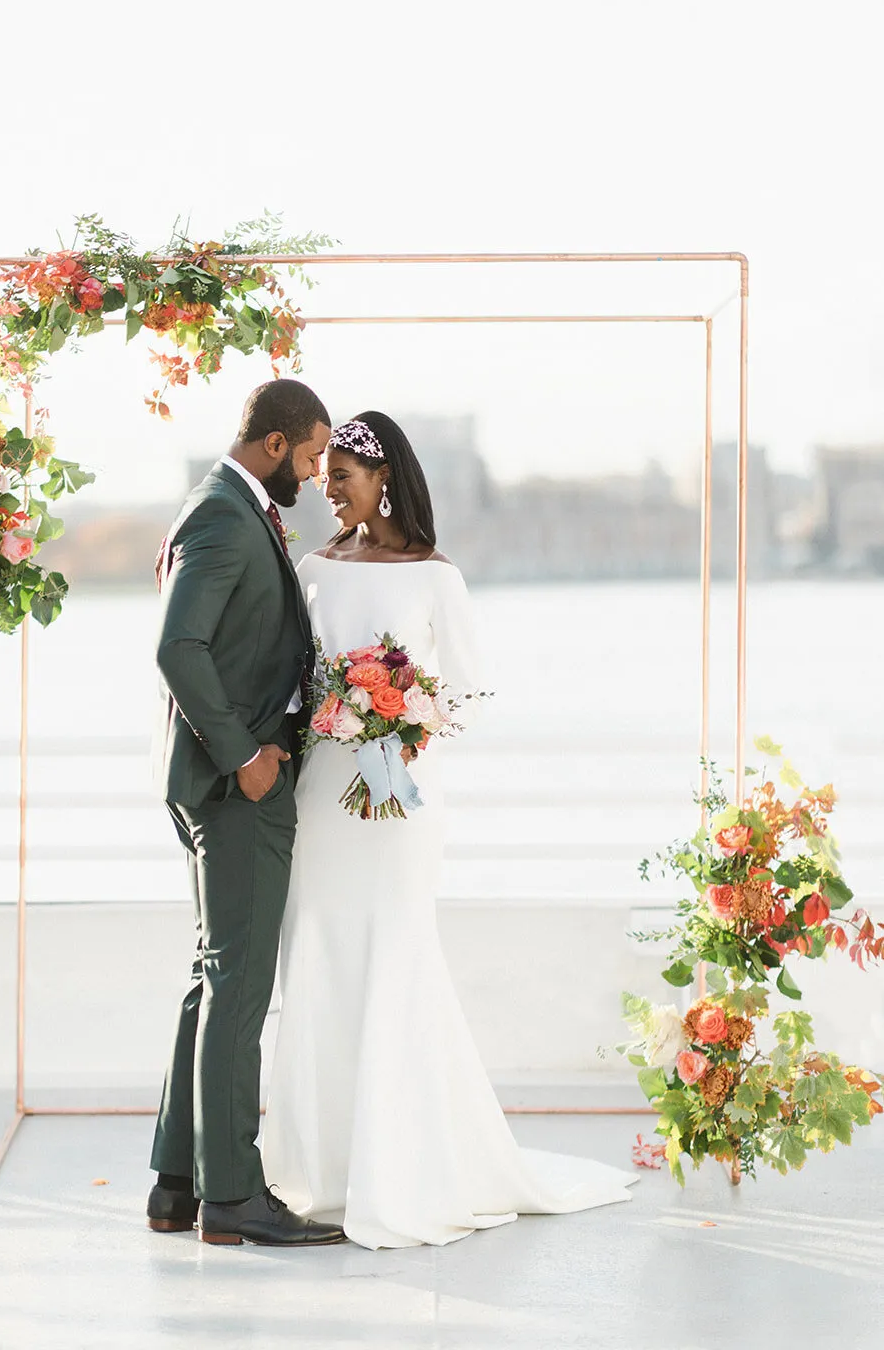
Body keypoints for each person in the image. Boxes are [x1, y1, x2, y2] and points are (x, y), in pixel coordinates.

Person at [261, 411, 638, 1249]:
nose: (331, 491)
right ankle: (317, 1171)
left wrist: (395, 721)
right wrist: (340, 713)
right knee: (316, 949)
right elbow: (290, 680)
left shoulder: (436, 578)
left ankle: (400, 1167)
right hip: (324, 791)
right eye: (326, 480)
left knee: (395, 952)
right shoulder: (311, 569)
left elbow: (463, 693)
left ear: (384, 476)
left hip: (399, 799)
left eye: (344, 478)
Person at [146, 379, 347, 1247]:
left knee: (211, 979)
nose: (315, 471)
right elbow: (176, 646)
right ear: (274, 444)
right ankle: (234, 1197)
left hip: (225, 782)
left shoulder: (232, 505)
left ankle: (177, 1182)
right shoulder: (224, 515)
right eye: (309, 456)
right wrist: (246, 756)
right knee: (238, 986)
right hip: (235, 791)